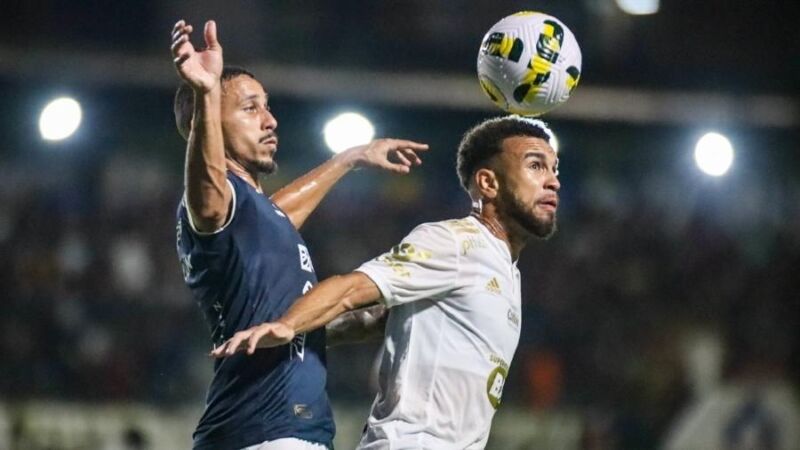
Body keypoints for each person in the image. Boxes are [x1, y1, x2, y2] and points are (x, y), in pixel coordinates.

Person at [213, 115, 562, 449]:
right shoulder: (456, 242)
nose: (553, 181)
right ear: (488, 183)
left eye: (554, 168)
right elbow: (352, 289)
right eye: (536, 166)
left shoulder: (505, 269)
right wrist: (286, 325)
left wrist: (310, 332)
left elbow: (376, 319)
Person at [170, 19, 428, 450]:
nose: (270, 120)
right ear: (211, 122)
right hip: (264, 433)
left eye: (267, 106)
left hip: (274, 433)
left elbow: (279, 212)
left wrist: (351, 158)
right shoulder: (215, 199)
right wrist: (205, 92)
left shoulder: (258, 214)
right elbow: (209, 190)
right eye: (250, 108)